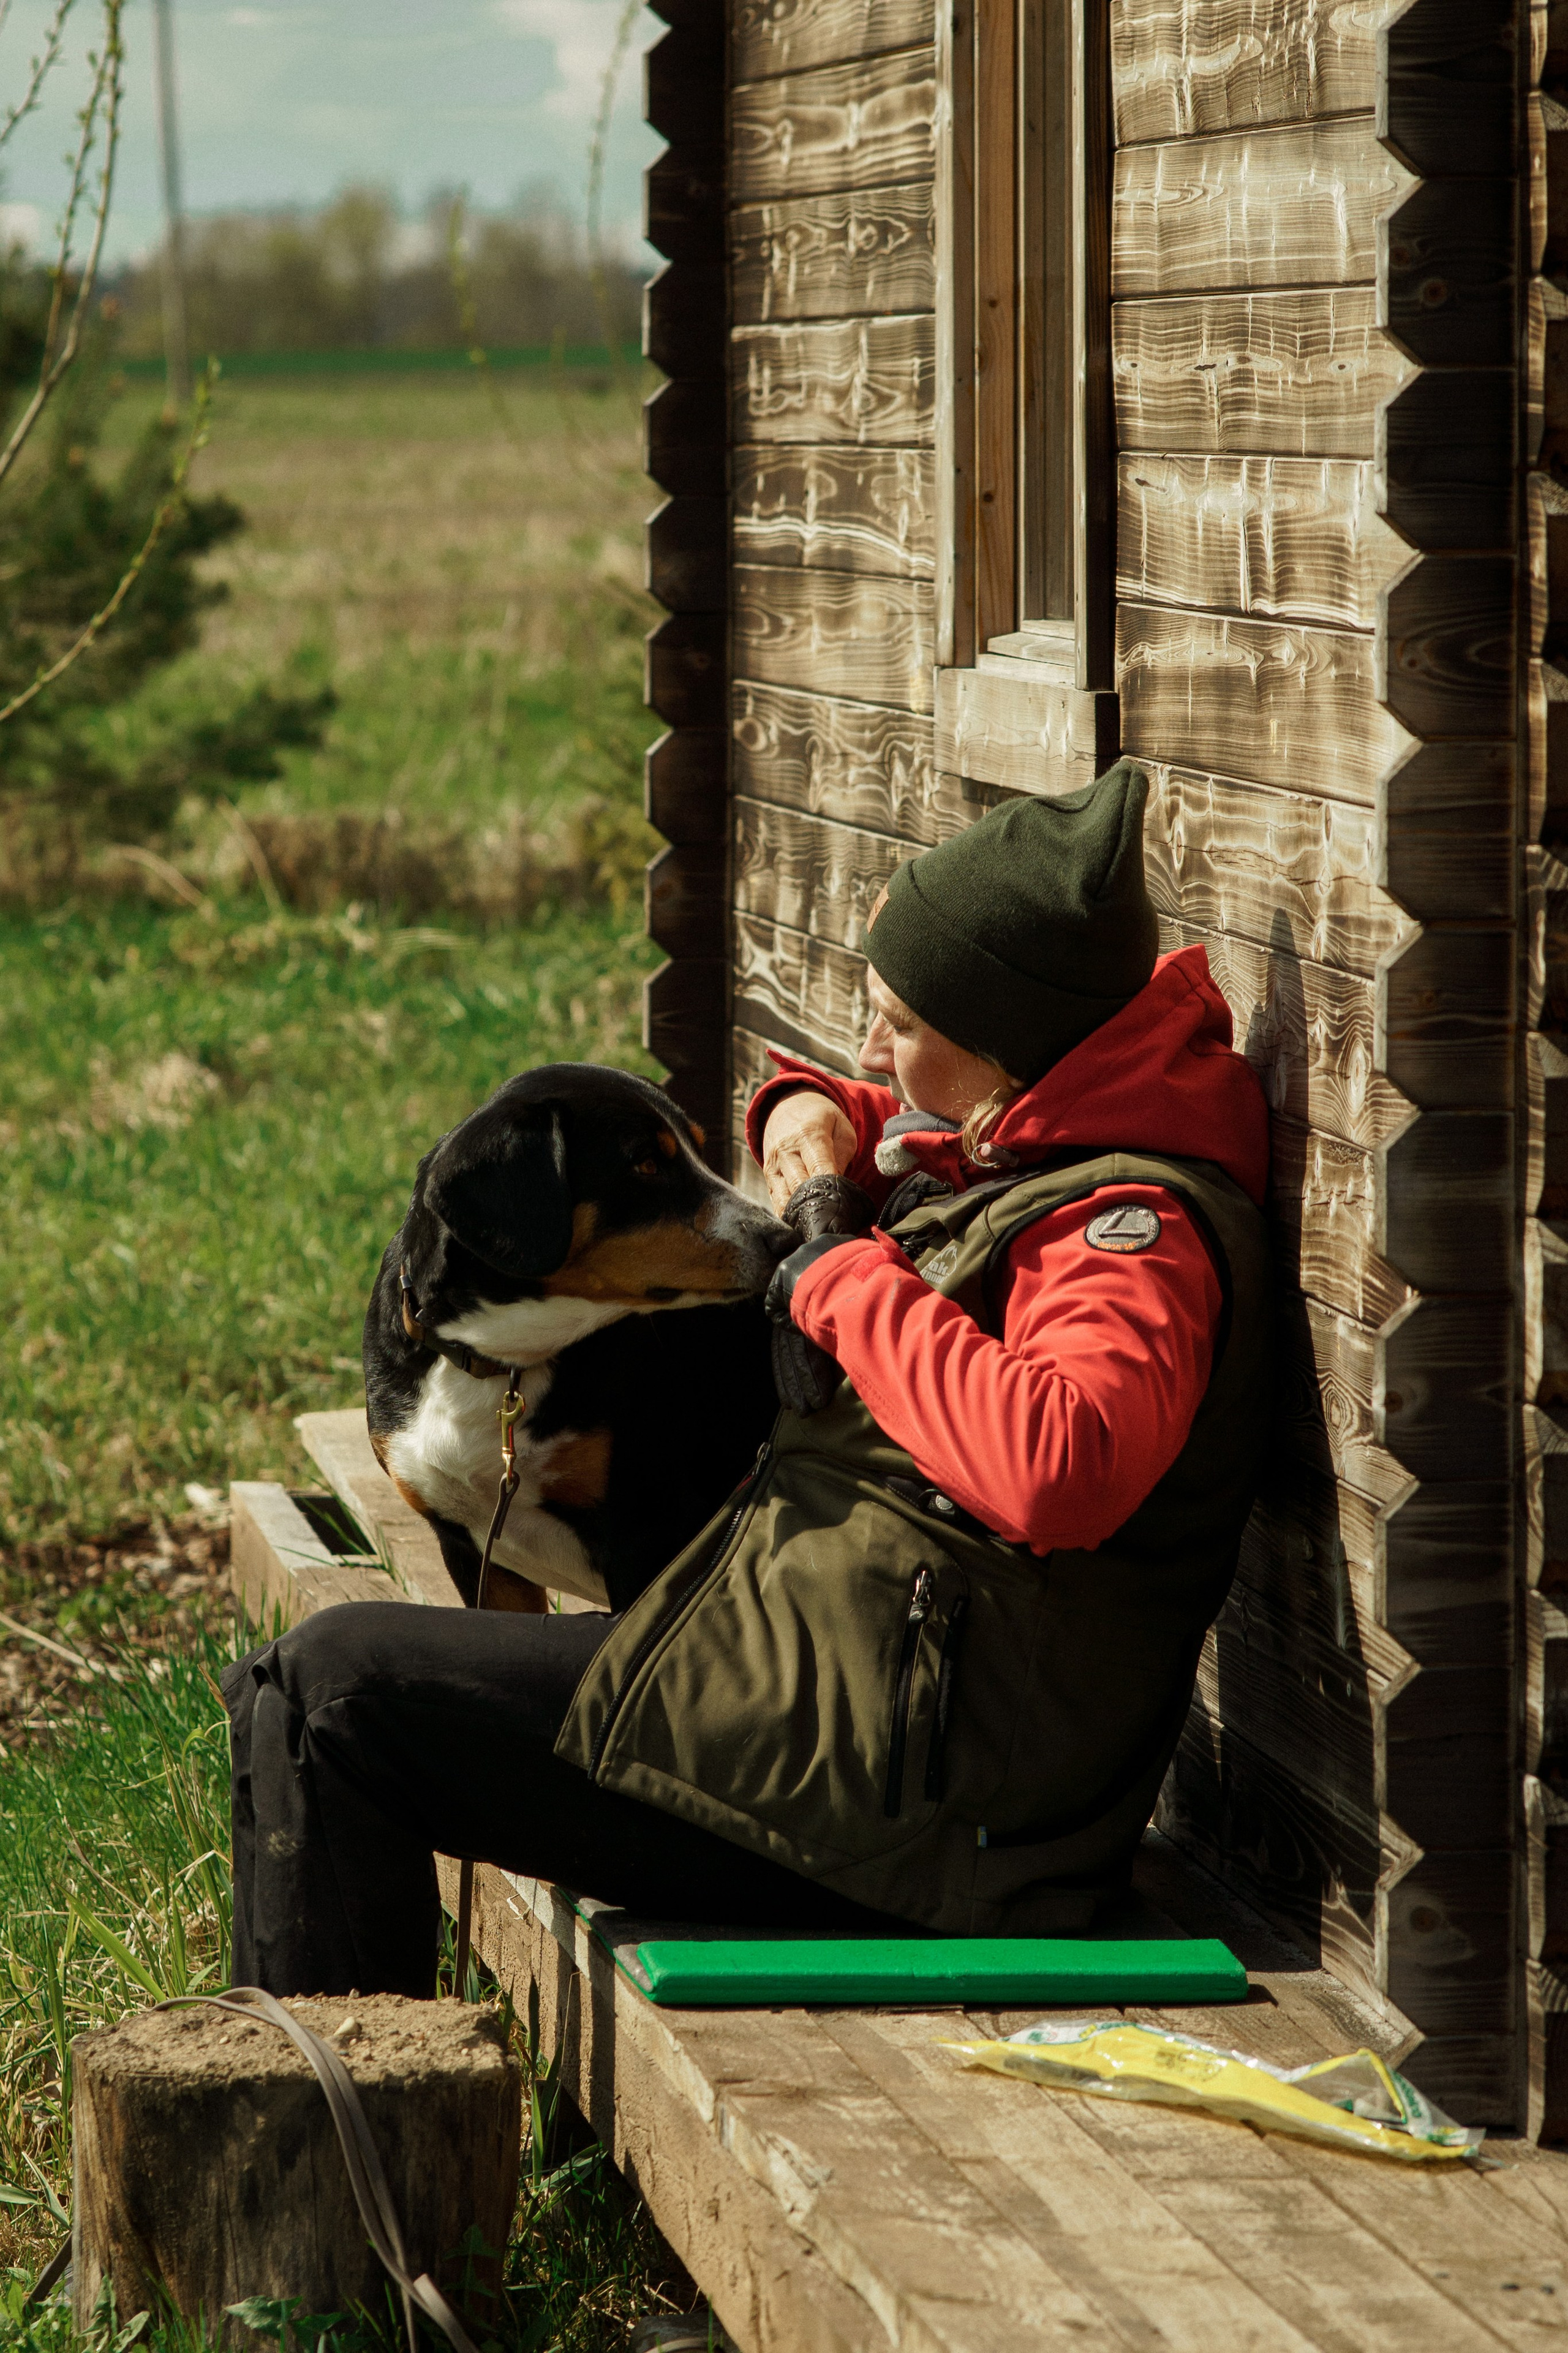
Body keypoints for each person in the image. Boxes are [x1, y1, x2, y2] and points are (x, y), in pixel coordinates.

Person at [224, 761, 1272, 1995]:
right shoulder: (1027, 1135)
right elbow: (829, 1103)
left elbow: (1061, 1467)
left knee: (335, 1690)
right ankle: (326, 2109)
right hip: (826, 1715)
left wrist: (835, 1275)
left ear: (1001, 1048)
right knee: (305, 1686)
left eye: (901, 1020)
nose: (873, 1044)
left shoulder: (1126, 1234)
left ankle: (327, 2153)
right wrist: (812, 1144)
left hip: (905, 1810)